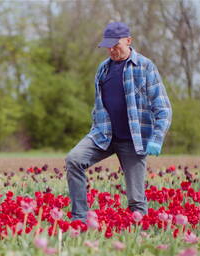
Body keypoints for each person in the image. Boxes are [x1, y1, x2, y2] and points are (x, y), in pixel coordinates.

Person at [65, 21, 172, 222]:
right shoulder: (103, 69)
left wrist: (157, 137)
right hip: (103, 135)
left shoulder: (145, 66)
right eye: (109, 46)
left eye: (117, 45)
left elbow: (163, 107)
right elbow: (99, 105)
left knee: (136, 202)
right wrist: (96, 125)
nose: (112, 50)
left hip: (133, 140)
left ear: (129, 41)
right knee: (74, 159)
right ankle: (79, 218)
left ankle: (137, 236)